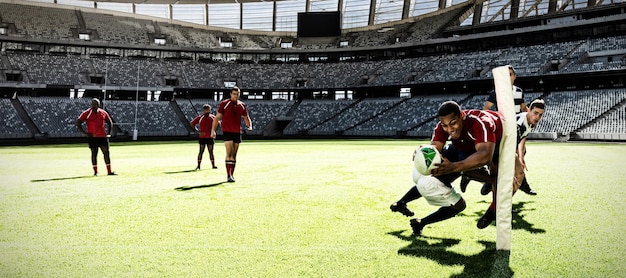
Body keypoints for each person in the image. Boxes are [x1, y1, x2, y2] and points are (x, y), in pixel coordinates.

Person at [429, 101, 524, 229]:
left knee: (514, 174)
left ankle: (492, 209)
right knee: (477, 170)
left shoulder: (481, 122)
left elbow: (485, 155)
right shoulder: (443, 127)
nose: (449, 129)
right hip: (473, 145)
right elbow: (434, 150)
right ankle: (478, 178)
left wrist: (454, 167)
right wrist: (423, 154)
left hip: (500, 140)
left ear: (462, 116)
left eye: (453, 123)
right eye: (445, 125)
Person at [460, 66, 527, 193]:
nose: (508, 77)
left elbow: (523, 107)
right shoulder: (496, 93)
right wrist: (496, 119)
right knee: (497, 161)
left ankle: (511, 186)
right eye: (506, 75)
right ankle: (487, 183)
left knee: (517, 157)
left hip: (515, 131)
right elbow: (486, 109)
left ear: (514, 76)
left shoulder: (519, 91)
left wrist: (529, 115)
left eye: (511, 74)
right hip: (502, 130)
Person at [390, 148, 466, 237]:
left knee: (423, 183)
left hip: (420, 170)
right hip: (434, 179)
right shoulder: (472, 146)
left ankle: (400, 203)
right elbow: (472, 169)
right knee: (460, 205)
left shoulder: (456, 141)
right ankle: (420, 223)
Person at [211, 86, 252, 182]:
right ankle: (228, 175)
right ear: (230, 94)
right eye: (234, 94)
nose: (236, 96)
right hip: (227, 131)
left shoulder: (242, 105)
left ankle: (232, 174)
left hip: (237, 132)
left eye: (237, 94)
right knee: (229, 153)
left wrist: (249, 126)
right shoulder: (224, 104)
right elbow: (217, 118)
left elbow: (246, 117)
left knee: (234, 155)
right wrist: (213, 130)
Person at [75, 98, 115, 176]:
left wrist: (109, 133)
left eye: (96, 104)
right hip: (92, 137)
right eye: (93, 104)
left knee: (106, 153)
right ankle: (96, 172)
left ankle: (109, 171)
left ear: (99, 105)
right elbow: (78, 122)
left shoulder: (103, 112)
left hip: (102, 136)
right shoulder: (87, 113)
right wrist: (85, 133)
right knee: (94, 153)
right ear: (91, 104)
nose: (94, 106)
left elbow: (109, 122)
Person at [515, 99, 546, 195]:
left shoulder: (532, 122)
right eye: (535, 113)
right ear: (529, 110)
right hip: (499, 144)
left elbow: (523, 139)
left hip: (512, 143)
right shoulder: (518, 124)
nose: (538, 117)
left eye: (540, 115)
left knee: (519, 169)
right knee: (515, 172)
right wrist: (518, 160)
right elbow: (512, 143)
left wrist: (521, 158)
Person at [190, 104, 218, 170]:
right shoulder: (200, 117)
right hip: (202, 137)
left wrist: (214, 131)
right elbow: (192, 123)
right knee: (201, 151)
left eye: (208, 110)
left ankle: (213, 165)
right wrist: (197, 131)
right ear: (204, 110)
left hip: (210, 137)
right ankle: (198, 166)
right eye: (206, 110)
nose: (207, 111)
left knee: (211, 151)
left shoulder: (213, 117)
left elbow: (218, 124)